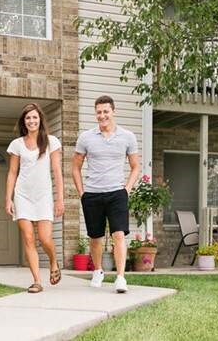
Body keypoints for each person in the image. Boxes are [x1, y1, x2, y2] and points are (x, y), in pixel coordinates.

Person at [72, 95, 140, 293]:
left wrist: (126, 189)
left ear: (113, 111)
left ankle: (120, 278)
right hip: (92, 194)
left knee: (119, 234)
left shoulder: (127, 137)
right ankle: (99, 270)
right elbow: (75, 167)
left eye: (105, 112)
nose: (102, 116)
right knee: (95, 237)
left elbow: (135, 166)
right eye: (99, 112)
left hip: (117, 193)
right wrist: (82, 193)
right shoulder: (86, 137)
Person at [5, 103, 65, 293]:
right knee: (29, 238)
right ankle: (37, 280)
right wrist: (9, 198)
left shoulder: (51, 142)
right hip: (22, 195)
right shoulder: (17, 144)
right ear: (24, 122)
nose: (31, 121)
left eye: (34, 117)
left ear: (40, 120)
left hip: (44, 196)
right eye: (28, 118)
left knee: (46, 238)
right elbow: (12, 173)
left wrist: (59, 199)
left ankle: (54, 262)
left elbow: (57, 171)